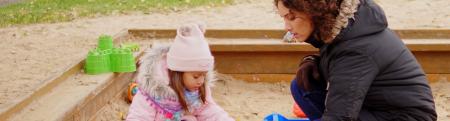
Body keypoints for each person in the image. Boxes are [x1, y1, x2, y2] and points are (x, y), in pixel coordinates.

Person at [274, 0, 437, 120]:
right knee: (303, 85)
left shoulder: (356, 49)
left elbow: (340, 115)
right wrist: (315, 62)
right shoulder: (344, 30)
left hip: (405, 117)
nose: (287, 27)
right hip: (378, 108)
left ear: (314, 12)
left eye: (292, 18)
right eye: (284, 18)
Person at [126, 23, 234, 121]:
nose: (201, 81)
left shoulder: (198, 91)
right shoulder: (152, 92)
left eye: (204, 75)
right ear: (178, 73)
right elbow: (139, 116)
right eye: (196, 76)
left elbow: (210, 112)